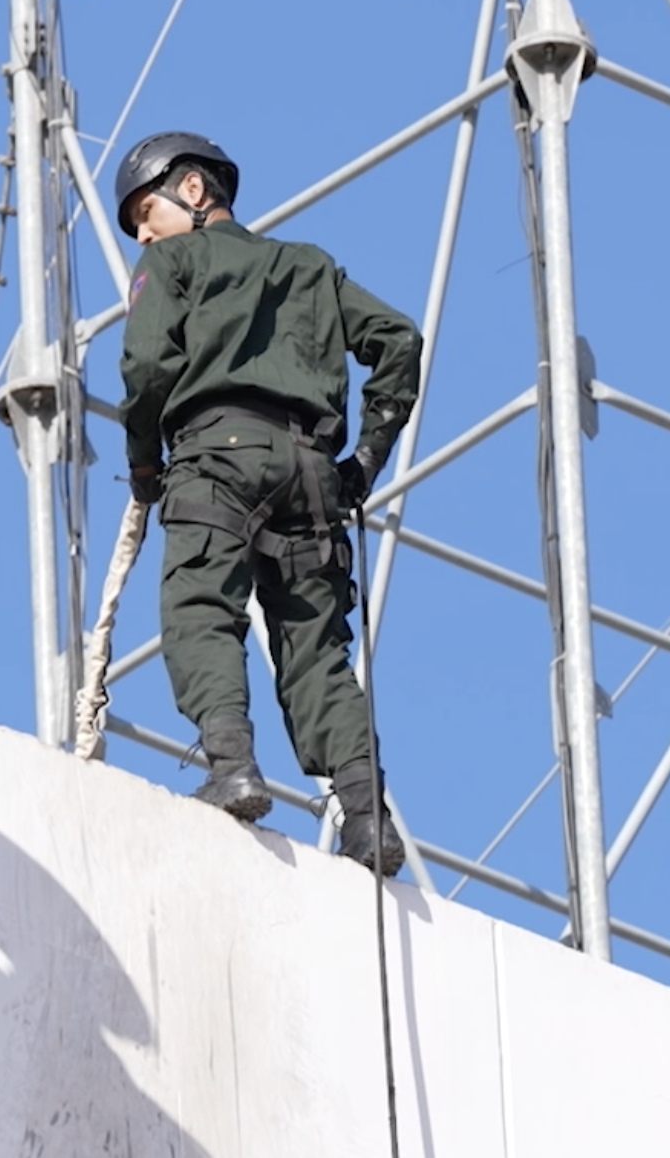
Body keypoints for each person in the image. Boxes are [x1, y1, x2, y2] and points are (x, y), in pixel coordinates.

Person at [112, 131, 423, 873]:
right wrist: (365, 461)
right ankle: (366, 818)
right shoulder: (309, 267)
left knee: (199, 607)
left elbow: (147, 365)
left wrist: (145, 464)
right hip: (312, 473)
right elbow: (399, 340)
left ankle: (233, 769)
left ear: (192, 190)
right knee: (316, 651)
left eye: (145, 213)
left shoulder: (172, 262)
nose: (142, 236)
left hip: (215, 455)